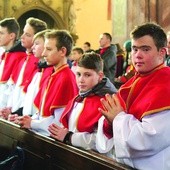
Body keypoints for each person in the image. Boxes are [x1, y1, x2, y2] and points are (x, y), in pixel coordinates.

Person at [96, 22, 170, 170]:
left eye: (145, 49)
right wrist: (110, 122)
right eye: (135, 49)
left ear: (162, 52)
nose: (137, 55)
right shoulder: (131, 83)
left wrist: (117, 118)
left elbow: (149, 139)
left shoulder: (166, 84)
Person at [48, 52, 117, 150]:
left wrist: (69, 137)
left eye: (87, 75)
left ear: (100, 76)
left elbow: (103, 142)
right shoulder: (78, 98)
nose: (81, 80)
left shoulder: (107, 103)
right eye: (78, 74)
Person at [16, 30, 78, 136]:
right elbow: (41, 112)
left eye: (48, 49)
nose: (44, 53)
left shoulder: (66, 78)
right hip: (41, 134)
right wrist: (27, 119)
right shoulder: (54, 74)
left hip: (49, 139)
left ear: (62, 51)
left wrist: (32, 123)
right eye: (44, 48)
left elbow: (57, 124)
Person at [1, 17, 47, 119]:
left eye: (27, 34)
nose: (22, 37)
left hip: (25, 116)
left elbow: (29, 95)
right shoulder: (24, 59)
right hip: (14, 113)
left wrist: (17, 113)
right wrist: (10, 109)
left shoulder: (37, 63)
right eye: (23, 33)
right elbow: (15, 89)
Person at [0, 18, 26, 111]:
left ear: (12, 36)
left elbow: (13, 88)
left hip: (7, 108)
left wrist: (9, 109)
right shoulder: (5, 54)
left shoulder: (20, 57)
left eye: (1, 33)